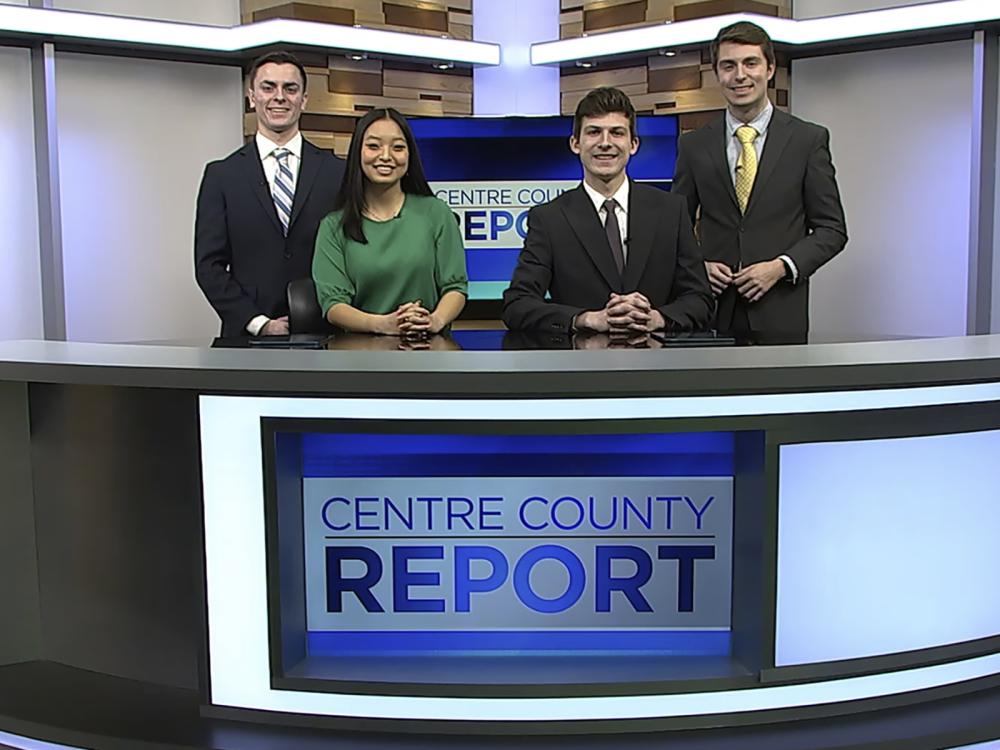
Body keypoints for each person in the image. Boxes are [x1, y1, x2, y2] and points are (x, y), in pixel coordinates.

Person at [671, 21, 847, 342]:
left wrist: (781, 267)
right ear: (718, 74)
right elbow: (675, 226)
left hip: (780, 313)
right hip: (711, 313)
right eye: (728, 66)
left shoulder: (807, 140)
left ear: (769, 69)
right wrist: (699, 266)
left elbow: (832, 230)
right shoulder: (694, 145)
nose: (740, 75)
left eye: (750, 63)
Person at [502, 87, 712, 334]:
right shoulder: (549, 219)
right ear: (575, 144)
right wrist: (585, 319)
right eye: (594, 132)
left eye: (616, 133)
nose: (605, 143)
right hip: (582, 366)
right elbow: (517, 304)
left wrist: (655, 318)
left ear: (633, 144)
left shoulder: (671, 211)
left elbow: (700, 299)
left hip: (657, 365)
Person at [195, 51, 345, 337]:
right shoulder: (221, 176)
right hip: (246, 339)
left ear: (304, 99)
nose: (280, 97)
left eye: (290, 88)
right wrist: (258, 322)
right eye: (268, 87)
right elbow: (208, 266)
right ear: (252, 97)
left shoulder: (337, 173)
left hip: (324, 335)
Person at [312, 108, 467, 335]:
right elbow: (333, 305)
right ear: (358, 153)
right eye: (374, 146)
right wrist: (383, 324)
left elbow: (456, 287)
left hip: (428, 348)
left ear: (409, 156)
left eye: (398, 147)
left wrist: (434, 320)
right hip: (361, 352)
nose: (386, 156)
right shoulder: (333, 226)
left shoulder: (436, 212)